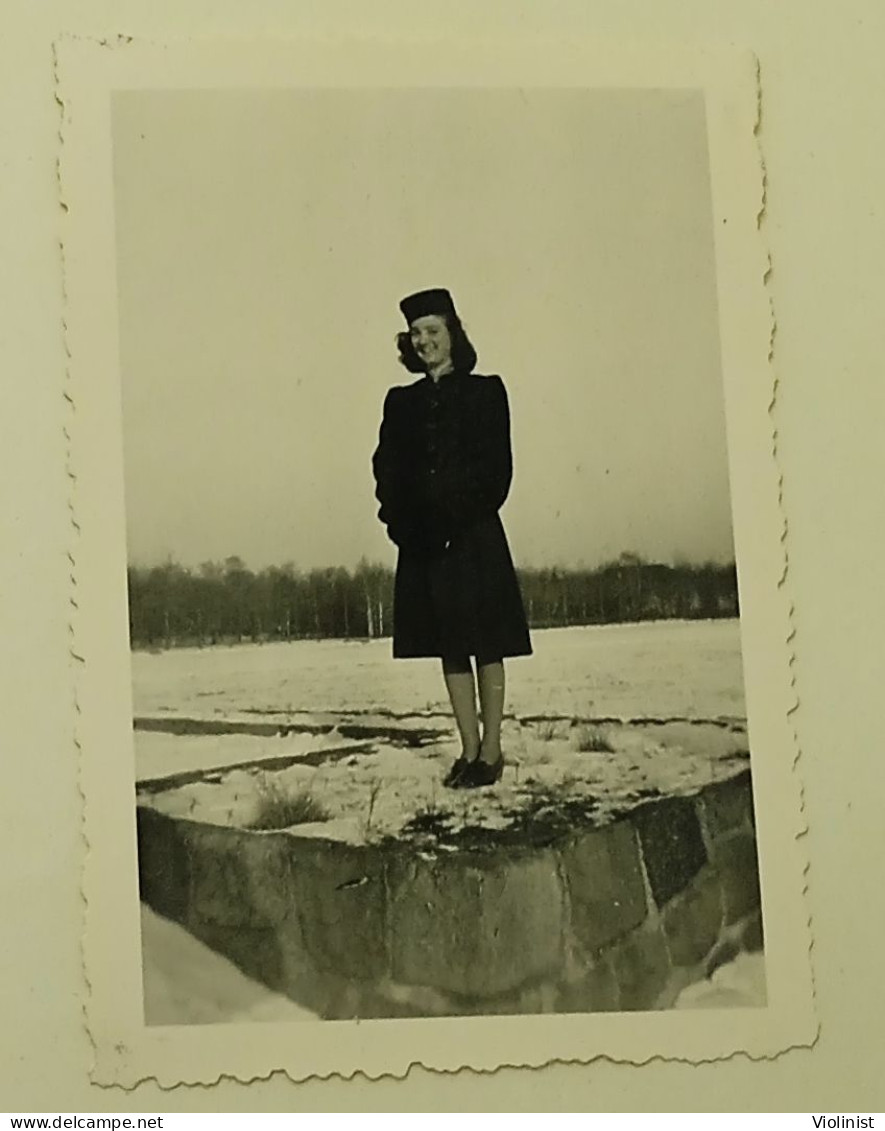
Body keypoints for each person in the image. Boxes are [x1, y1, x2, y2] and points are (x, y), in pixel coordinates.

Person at [371, 287, 532, 789]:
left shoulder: (487, 392)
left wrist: (452, 523)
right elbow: (386, 475)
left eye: (433, 332)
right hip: (422, 544)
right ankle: (467, 750)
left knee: (486, 641)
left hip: (473, 539)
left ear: (453, 335)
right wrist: (404, 527)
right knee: (449, 644)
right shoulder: (400, 403)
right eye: (416, 334)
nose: (424, 342)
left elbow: (496, 473)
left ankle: (492, 751)